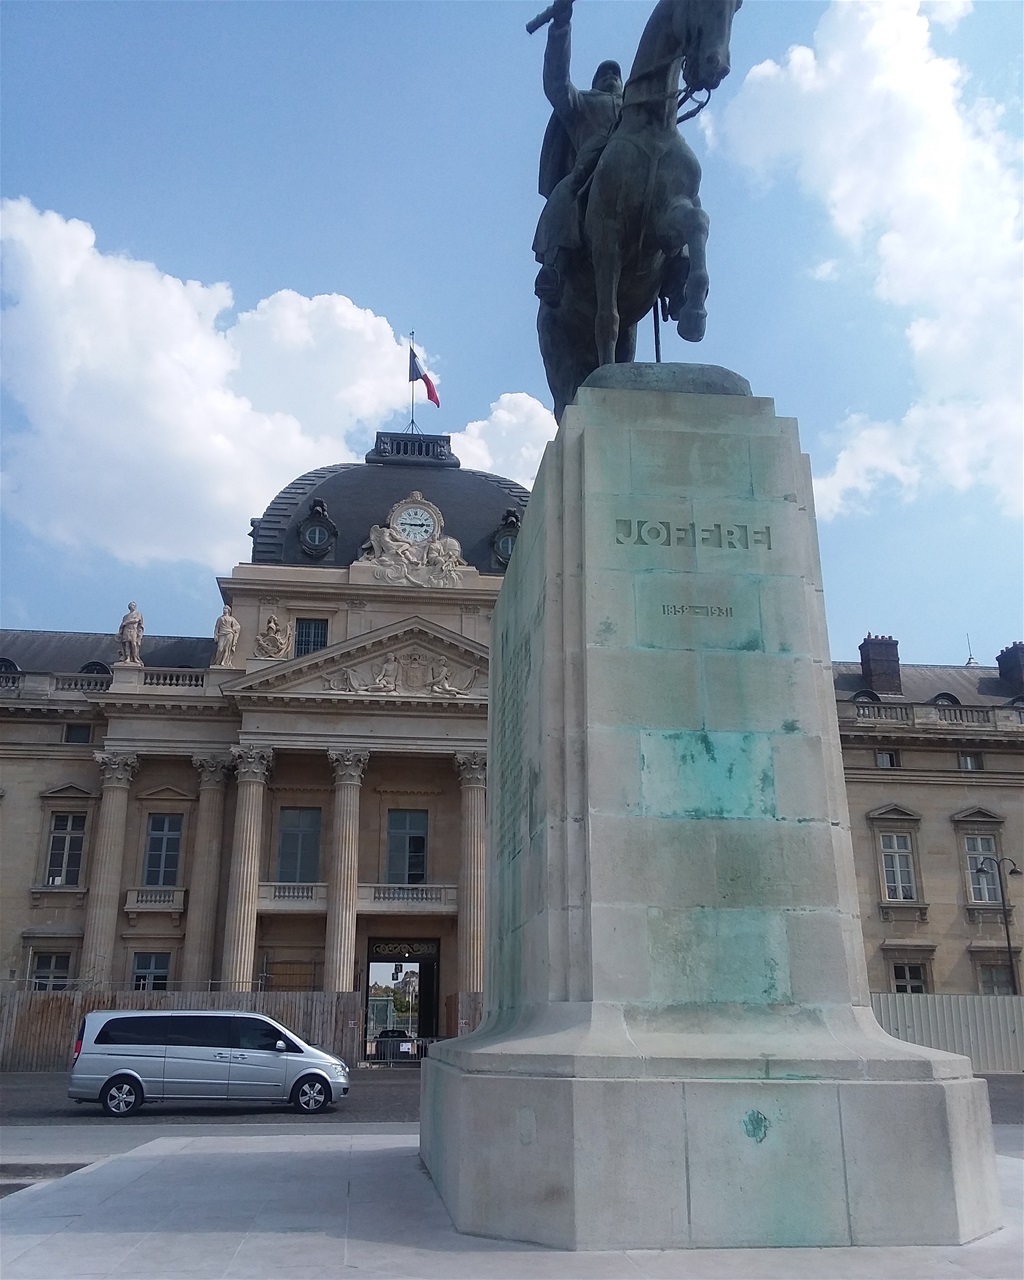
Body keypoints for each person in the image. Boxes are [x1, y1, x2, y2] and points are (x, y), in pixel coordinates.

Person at [533, 0, 623, 307]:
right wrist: (561, 28)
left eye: (616, 73)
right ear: (595, 82)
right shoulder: (583, 102)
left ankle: (680, 271)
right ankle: (554, 265)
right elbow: (557, 84)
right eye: (604, 73)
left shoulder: (641, 109)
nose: (611, 75)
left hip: (640, 168)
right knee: (564, 192)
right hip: (590, 170)